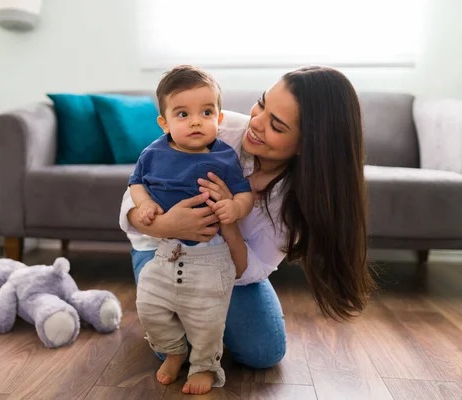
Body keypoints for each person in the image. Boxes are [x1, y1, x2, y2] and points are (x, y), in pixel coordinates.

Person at [119, 65, 375, 392]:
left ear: (305, 145)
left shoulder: (298, 203)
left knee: (264, 351)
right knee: (168, 345)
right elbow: (135, 193)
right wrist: (165, 225)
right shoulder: (216, 128)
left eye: (276, 125)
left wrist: (230, 225)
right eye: (262, 103)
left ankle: (201, 332)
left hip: (226, 268)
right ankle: (185, 326)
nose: (255, 123)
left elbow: (251, 270)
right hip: (163, 250)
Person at [129, 65, 255, 395]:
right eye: (183, 114)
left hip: (211, 255)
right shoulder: (152, 153)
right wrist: (145, 206)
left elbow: (244, 193)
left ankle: (204, 366)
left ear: (219, 117)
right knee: (149, 305)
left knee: (207, 319)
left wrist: (235, 208)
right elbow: (136, 184)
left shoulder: (225, 156)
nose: (196, 121)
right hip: (165, 251)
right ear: (165, 122)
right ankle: (174, 350)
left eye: (206, 112)